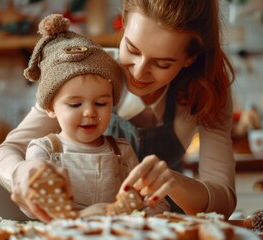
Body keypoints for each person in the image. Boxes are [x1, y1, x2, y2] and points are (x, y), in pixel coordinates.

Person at [0, 0, 236, 221]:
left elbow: (223, 201)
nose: (139, 73)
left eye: (162, 63)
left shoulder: (206, 94)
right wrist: (21, 172)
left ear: (189, 58)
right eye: (132, 49)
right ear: (124, 23)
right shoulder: (86, 71)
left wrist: (174, 183)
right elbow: (8, 150)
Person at [21, 14, 169, 220]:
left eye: (101, 103)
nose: (90, 112)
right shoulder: (43, 150)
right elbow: (31, 203)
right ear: (50, 107)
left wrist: (146, 212)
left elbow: (153, 201)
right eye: (75, 104)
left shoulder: (123, 150)